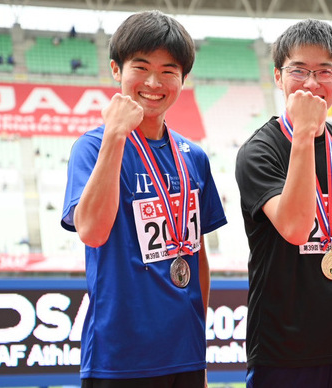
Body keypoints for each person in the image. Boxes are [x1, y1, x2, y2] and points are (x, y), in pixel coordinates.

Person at [60, 10, 226, 387]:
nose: (154, 82)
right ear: (116, 70)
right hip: (119, 356)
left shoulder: (194, 156)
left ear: (183, 79)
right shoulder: (92, 147)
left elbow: (196, 253)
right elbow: (92, 232)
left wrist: (197, 345)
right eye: (142, 67)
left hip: (184, 352)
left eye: (169, 70)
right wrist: (116, 136)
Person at [235, 19, 332, 388]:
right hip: (285, 347)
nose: (312, 83)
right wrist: (303, 133)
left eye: (324, 71)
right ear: (278, 77)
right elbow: (296, 228)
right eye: (298, 70)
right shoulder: (259, 150)